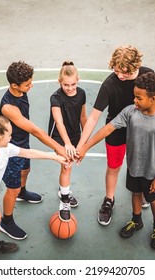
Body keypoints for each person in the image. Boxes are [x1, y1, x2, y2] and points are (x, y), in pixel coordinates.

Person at [76, 72, 155, 249]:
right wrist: (85, 146)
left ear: (153, 99)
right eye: (134, 97)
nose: (134, 101)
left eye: (138, 98)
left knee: (154, 200)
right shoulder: (130, 112)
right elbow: (107, 129)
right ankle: (136, 220)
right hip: (133, 168)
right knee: (135, 194)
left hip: (152, 172)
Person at [0, 113, 68, 260]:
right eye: (9, 135)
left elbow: (28, 152)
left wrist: (55, 157)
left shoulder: (5, 149)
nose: (11, 137)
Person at [76, 45, 153, 226]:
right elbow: (94, 117)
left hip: (141, 131)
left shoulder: (148, 77)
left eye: (124, 72)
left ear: (136, 66)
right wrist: (81, 145)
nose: (120, 76)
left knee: (139, 165)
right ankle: (109, 200)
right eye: (116, 70)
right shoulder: (110, 84)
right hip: (116, 131)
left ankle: (140, 192)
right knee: (114, 167)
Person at [0, 61, 70, 240]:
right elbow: (35, 130)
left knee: (26, 170)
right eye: (27, 84)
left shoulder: (21, 91)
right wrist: (59, 148)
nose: (32, 85)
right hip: (11, 150)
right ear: (14, 85)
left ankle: (22, 192)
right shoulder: (8, 107)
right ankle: (6, 221)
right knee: (11, 189)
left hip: (22, 142)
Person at [48, 61, 87, 221]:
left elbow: (83, 117)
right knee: (67, 165)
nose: (70, 88)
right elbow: (59, 122)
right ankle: (64, 200)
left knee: (68, 167)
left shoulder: (82, 94)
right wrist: (67, 144)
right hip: (59, 136)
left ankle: (63, 190)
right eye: (66, 85)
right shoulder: (56, 98)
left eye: (73, 84)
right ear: (60, 82)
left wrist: (85, 141)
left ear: (78, 80)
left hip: (75, 134)